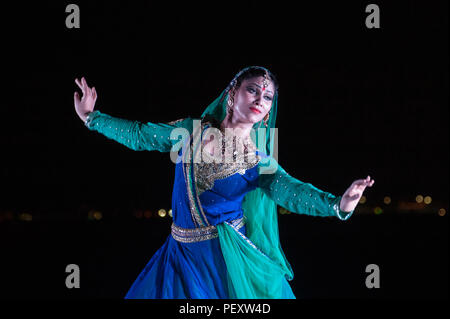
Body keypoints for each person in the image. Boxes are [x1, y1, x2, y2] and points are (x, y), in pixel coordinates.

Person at [73, 66, 374, 299]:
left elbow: (293, 192)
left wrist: (339, 204)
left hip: (226, 260)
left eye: (267, 96)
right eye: (253, 90)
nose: (260, 99)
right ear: (233, 93)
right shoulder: (189, 132)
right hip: (178, 254)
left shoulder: (257, 161)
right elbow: (140, 135)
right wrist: (91, 117)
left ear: (269, 110)